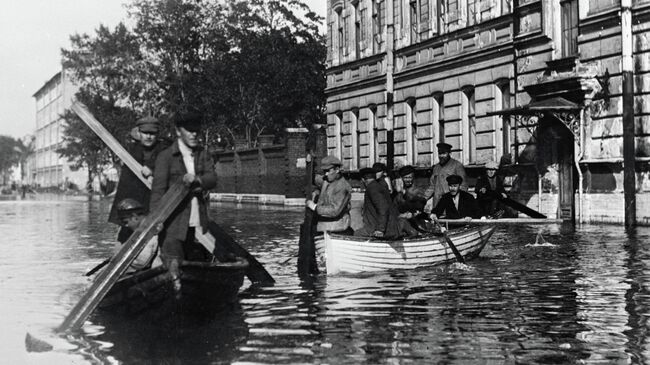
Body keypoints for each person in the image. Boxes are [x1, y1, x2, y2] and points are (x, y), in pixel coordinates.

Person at [150, 112, 217, 288]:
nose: (194, 134)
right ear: (178, 131)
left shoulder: (203, 154)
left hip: (198, 225)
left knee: (199, 273)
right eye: (189, 130)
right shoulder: (165, 157)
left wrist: (198, 180)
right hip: (174, 225)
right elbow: (157, 192)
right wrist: (156, 221)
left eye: (197, 130)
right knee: (173, 269)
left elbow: (212, 178)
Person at [108, 116, 166, 243]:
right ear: (139, 133)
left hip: (154, 202)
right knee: (125, 234)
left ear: (157, 134)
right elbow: (126, 185)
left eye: (152, 133)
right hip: (133, 202)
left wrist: (152, 168)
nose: (149, 137)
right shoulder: (132, 150)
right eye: (145, 133)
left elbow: (170, 168)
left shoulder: (164, 150)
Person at [114, 198, 163, 273]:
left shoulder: (154, 229)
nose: (125, 225)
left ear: (135, 217)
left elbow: (142, 261)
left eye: (125, 222)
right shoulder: (124, 231)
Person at [306, 155, 352, 234]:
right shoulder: (326, 180)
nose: (326, 174)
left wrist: (314, 207)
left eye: (328, 171)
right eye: (324, 171)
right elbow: (313, 178)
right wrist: (310, 164)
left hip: (337, 229)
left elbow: (335, 211)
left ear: (337, 170)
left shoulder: (343, 187)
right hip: (323, 227)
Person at [354, 167, 401, 239]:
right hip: (386, 227)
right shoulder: (378, 186)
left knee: (356, 234)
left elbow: (383, 208)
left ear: (363, 179)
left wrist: (380, 230)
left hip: (377, 229)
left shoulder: (372, 188)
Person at [423, 142, 468, 211]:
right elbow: (432, 187)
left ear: (449, 153)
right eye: (440, 153)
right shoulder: (436, 168)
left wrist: (458, 202)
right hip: (437, 204)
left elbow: (463, 186)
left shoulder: (457, 166)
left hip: (451, 205)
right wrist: (423, 199)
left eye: (444, 153)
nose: (441, 156)